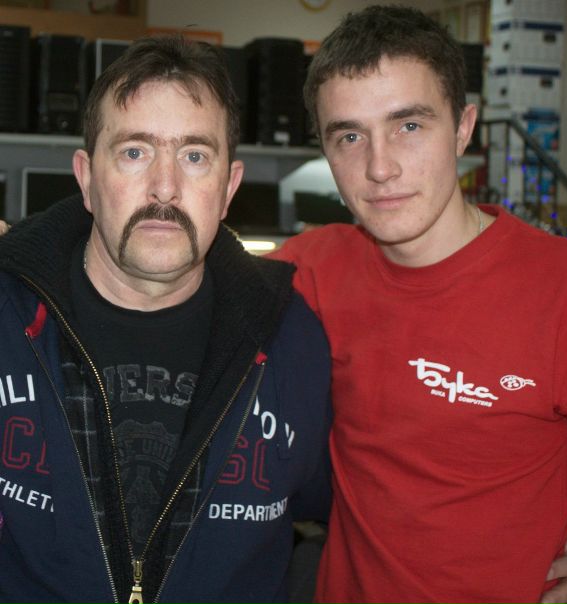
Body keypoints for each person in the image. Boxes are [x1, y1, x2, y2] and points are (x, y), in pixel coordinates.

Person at [274, 4, 567, 603]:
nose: (380, 167)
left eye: (410, 126)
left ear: (464, 127)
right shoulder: (310, 269)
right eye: (349, 136)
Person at [0, 35, 332, 603]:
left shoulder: (292, 339)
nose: (164, 187)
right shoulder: (8, 315)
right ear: (86, 178)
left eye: (194, 156)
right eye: (134, 152)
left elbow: (353, 508)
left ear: (228, 187)